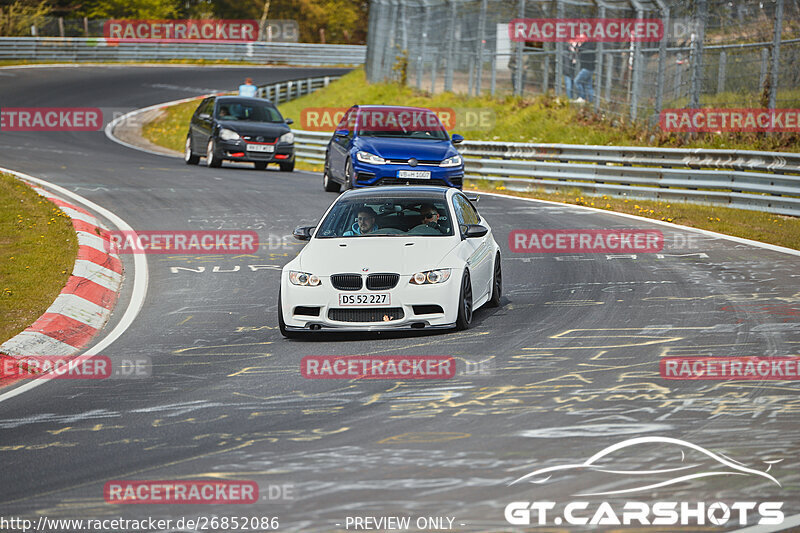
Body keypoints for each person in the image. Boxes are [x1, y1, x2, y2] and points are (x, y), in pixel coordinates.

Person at [574, 35, 596, 103]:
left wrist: (578, 46)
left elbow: (580, 49)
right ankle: (591, 101)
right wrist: (578, 45)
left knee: (577, 81)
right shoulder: (583, 44)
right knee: (588, 86)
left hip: (587, 68)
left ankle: (582, 97)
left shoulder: (589, 44)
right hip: (586, 68)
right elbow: (576, 49)